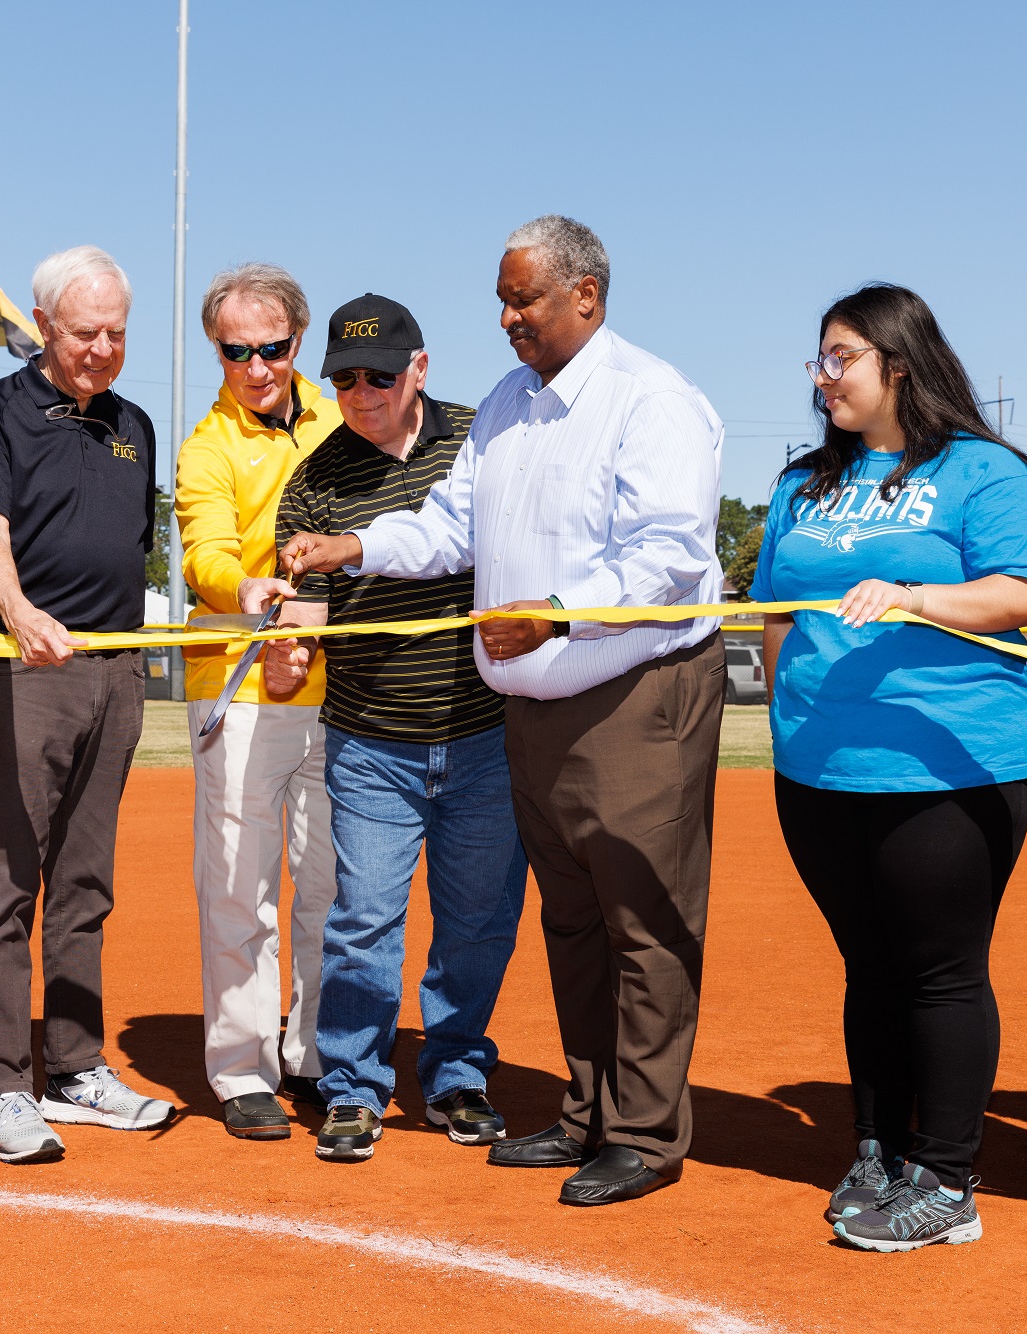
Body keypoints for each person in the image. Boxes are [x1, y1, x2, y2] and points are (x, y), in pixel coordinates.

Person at [281, 216, 725, 1206]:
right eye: (501, 299)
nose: (506, 316)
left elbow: (670, 555)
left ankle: (644, 1135)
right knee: (573, 923)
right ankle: (588, 1111)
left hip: (632, 700)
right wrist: (354, 548)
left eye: (523, 298)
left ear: (586, 296)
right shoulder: (506, 404)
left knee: (642, 925)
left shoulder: (651, 399)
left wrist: (557, 614)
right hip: (531, 714)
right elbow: (450, 526)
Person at [752, 284, 1027, 1249]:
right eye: (819, 358)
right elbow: (775, 613)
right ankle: (878, 1149)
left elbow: (1026, 595)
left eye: (840, 357)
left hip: (947, 765)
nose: (823, 376)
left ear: (900, 362)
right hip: (818, 769)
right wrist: (789, 714)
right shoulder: (803, 484)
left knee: (939, 971)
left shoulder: (984, 472)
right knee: (869, 967)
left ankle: (948, 1178)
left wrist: (916, 596)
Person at [256, 294, 527, 1161]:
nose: (361, 393)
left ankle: (456, 1072)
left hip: (488, 734)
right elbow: (301, 618)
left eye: (379, 376)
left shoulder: (483, 439)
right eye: (343, 380)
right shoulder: (316, 479)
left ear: (420, 369)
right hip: (371, 741)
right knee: (364, 921)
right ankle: (352, 1086)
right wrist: (287, 652)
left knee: (478, 921)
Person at [0, 245, 172, 1164]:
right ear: (43, 326)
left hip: (116, 672)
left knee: (85, 883)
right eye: (86, 333)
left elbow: (131, 542)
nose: (104, 349)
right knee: (8, 881)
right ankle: (2, 1085)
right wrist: (20, 613)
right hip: (24, 668)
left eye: (118, 332)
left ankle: (75, 1068)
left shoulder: (134, 424)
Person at [174, 263, 342, 1139]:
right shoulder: (205, 445)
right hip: (240, 694)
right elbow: (202, 545)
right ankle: (241, 1069)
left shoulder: (344, 418)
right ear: (218, 351)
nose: (256, 367)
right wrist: (239, 586)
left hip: (341, 692)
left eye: (271, 348)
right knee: (241, 888)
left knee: (330, 887)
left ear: (297, 340)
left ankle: (313, 1054)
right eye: (235, 351)